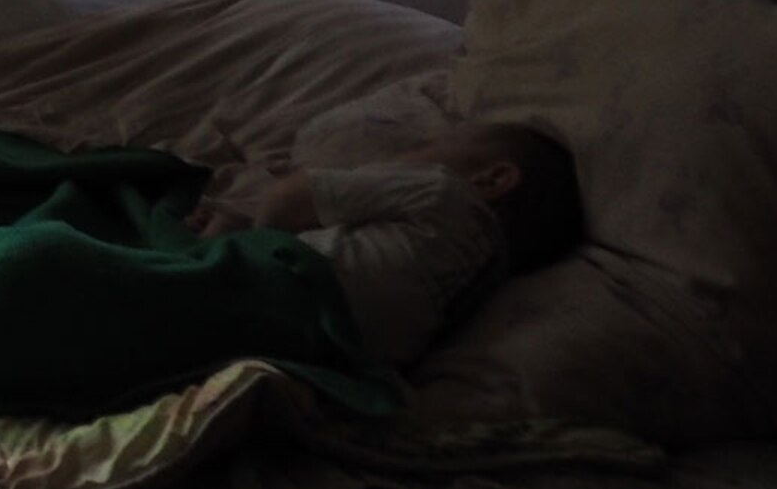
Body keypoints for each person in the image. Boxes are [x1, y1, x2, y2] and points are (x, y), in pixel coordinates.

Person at [196, 120, 585, 368]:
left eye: (438, 142)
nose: (413, 150)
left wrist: (246, 237)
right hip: (348, 360)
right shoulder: (484, 279)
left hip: (292, 293)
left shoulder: (440, 190)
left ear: (493, 179)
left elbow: (290, 198)